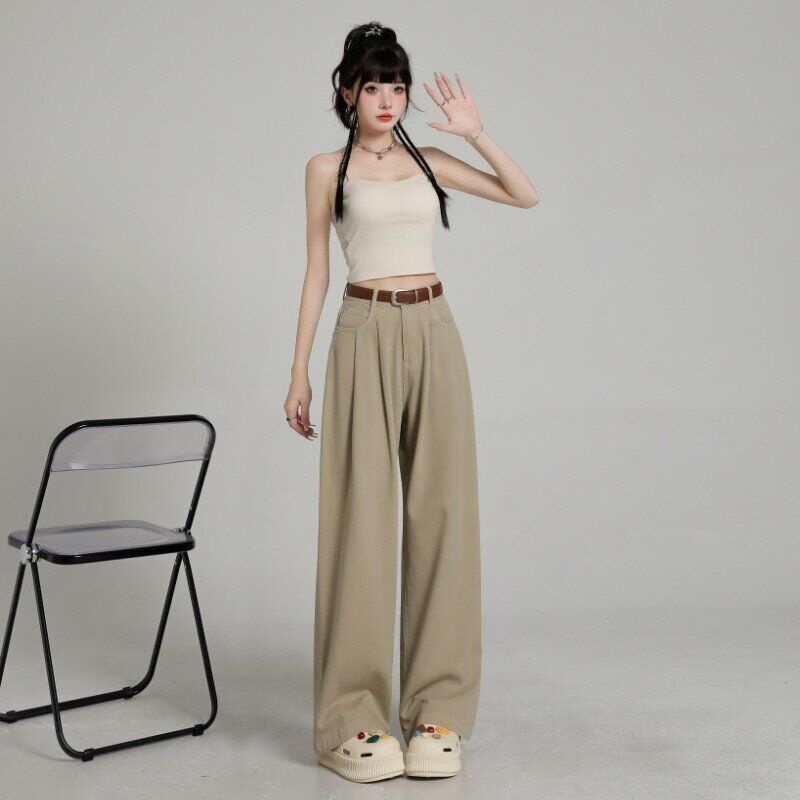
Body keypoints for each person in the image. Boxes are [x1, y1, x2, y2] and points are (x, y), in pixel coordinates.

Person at [283, 21, 539, 783]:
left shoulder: (430, 160)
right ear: (346, 93)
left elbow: (523, 195)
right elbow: (317, 272)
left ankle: (437, 713)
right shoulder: (325, 168)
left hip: (434, 327)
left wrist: (477, 132)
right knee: (361, 520)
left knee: (443, 513)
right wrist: (298, 371)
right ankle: (351, 721)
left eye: (397, 85)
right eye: (373, 86)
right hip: (363, 327)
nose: (387, 99)